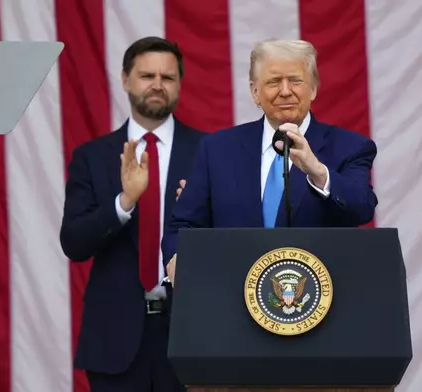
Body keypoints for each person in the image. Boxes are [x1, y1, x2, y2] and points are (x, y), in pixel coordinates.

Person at [161, 38, 378, 281]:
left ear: (313, 89)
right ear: (255, 92)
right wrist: (178, 255)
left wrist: (317, 172)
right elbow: (183, 224)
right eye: (274, 82)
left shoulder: (350, 147)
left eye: (295, 80)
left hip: (317, 300)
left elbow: (362, 208)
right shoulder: (218, 149)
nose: (285, 91)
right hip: (232, 299)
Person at [59, 36, 206, 391]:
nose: (157, 85)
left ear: (179, 84)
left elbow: (232, 238)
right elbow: (75, 242)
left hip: (193, 335)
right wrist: (124, 201)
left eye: (168, 77)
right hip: (115, 338)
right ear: (125, 80)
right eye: (146, 75)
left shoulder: (210, 151)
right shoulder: (92, 156)